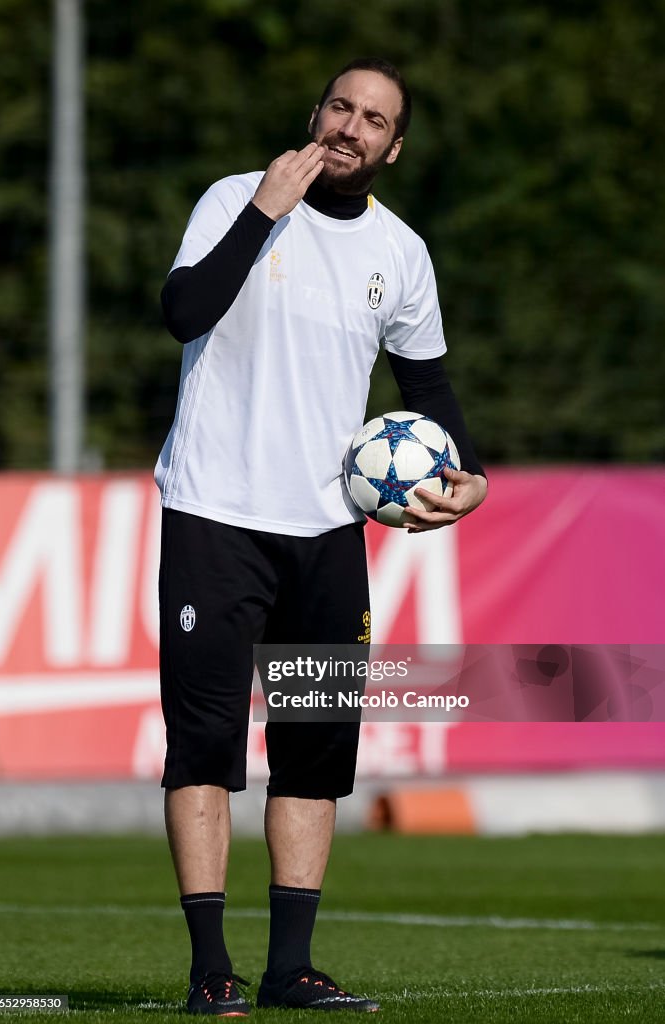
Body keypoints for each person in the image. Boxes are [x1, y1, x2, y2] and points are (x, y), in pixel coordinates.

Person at [156, 57, 487, 1016]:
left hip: (331, 535)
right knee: (206, 742)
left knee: (314, 751)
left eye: (373, 119)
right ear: (316, 112)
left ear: (394, 146)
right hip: (216, 513)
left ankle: (289, 968)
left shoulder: (404, 252)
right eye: (340, 106)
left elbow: (428, 392)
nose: (351, 127)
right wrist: (265, 210)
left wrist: (470, 476)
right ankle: (210, 967)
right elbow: (181, 313)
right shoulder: (235, 199)